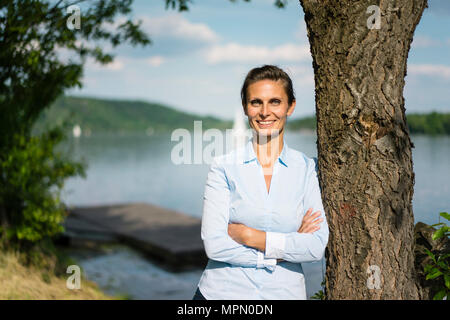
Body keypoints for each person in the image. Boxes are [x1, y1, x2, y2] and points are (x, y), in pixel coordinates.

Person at [193, 65, 329, 300]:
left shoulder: (308, 169)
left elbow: (315, 246)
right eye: (256, 102)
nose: (265, 112)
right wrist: (280, 251)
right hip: (221, 294)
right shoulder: (223, 167)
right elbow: (215, 245)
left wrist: (249, 236)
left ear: (290, 106)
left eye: (275, 102)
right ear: (246, 108)